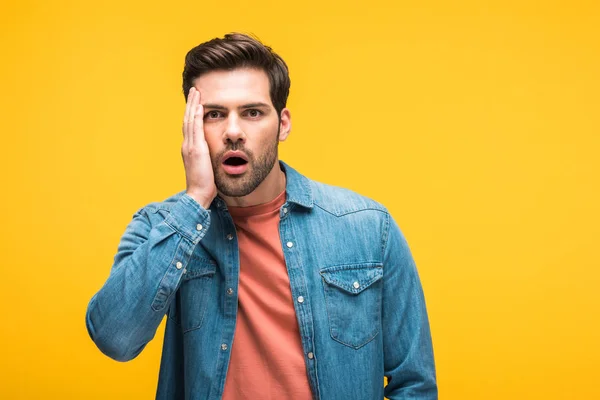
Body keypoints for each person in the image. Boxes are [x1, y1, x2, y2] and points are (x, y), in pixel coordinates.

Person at [85, 32, 437, 400]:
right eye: (214, 115)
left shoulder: (367, 228)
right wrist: (195, 201)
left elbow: (414, 384)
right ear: (191, 128)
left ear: (283, 124)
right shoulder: (162, 226)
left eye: (252, 113)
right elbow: (115, 338)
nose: (233, 132)